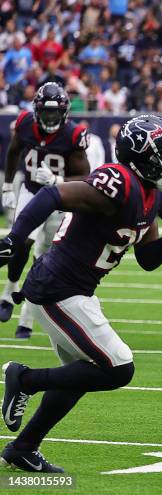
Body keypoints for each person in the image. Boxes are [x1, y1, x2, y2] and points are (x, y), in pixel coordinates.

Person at [0, 115, 162, 473]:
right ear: (143, 156)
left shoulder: (151, 192)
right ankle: (24, 378)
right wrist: (16, 239)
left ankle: (24, 447)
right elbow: (51, 194)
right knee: (118, 367)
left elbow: (149, 259)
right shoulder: (120, 181)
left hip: (78, 289)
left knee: (81, 372)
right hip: (58, 287)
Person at [0, 83, 91, 339]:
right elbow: (14, 151)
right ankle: (9, 290)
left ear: (64, 112)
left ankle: (26, 318)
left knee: (47, 257)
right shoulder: (25, 123)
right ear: (36, 110)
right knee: (20, 242)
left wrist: (57, 181)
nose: (50, 118)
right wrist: (8, 185)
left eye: (54, 113)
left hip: (61, 197)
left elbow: (85, 175)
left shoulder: (73, 135)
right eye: (46, 112)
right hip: (31, 190)